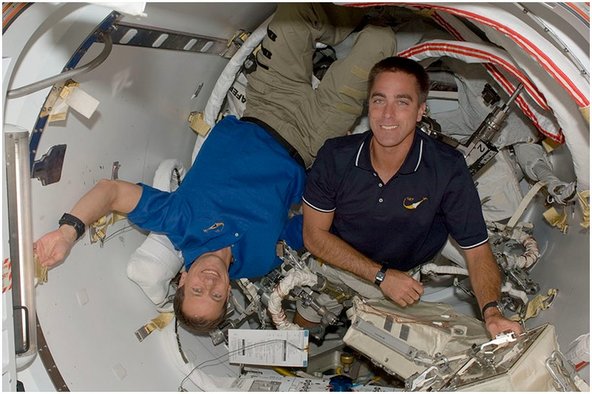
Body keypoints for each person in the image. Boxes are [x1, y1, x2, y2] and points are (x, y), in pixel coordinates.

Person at [33, 4, 397, 334]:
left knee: (294, 15)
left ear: (182, 279)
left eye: (197, 290)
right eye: (216, 295)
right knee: (382, 39)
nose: (210, 283)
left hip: (266, 104)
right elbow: (309, 228)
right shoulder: (259, 263)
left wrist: (67, 233)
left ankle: (344, 25)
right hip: (311, 139)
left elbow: (109, 191)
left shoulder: (179, 222)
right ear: (227, 296)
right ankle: (367, 29)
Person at [302, 56, 524, 338]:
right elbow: (313, 235)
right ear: (368, 105)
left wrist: (491, 312)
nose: (387, 115)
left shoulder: (447, 168)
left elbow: (477, 250)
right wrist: (380, 275)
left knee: (389, 351)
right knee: (305, 319)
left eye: (402, 102)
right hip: (338, 263)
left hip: (403, 280)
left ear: (421, 110)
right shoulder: (336, 156)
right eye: (379, 100)